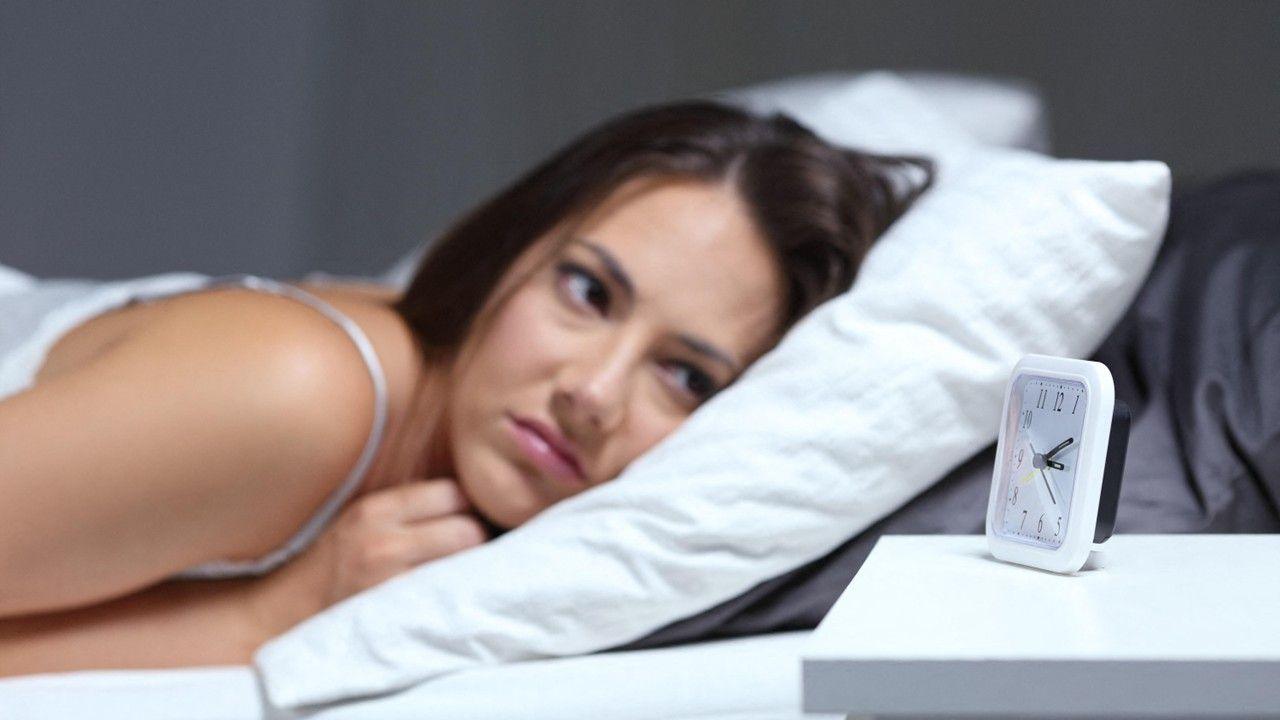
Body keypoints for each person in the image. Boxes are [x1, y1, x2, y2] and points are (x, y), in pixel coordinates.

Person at [0, 101, 931, 676]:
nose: (594, 394)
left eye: (685, 377)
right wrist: (274, 612)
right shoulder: (300, 394)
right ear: (508, 253)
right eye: (588, 291)